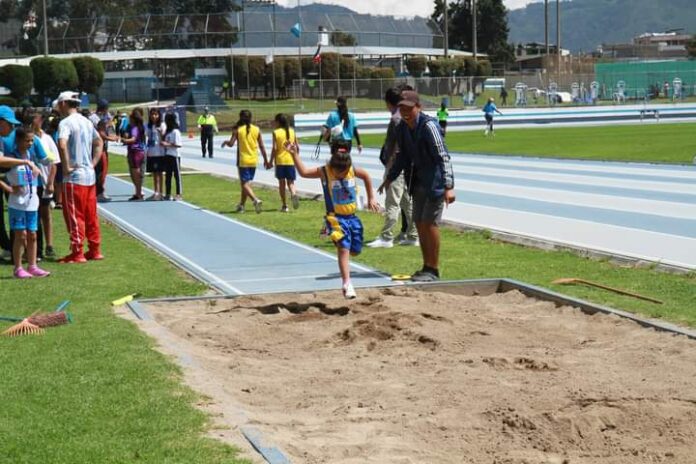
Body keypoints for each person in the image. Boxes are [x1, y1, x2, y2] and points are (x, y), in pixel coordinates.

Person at [287, 139, 379, 299]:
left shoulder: (351, 169)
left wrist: (371, 197)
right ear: (332, 167)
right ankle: (347, 283)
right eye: (338, 175)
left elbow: (366, 177)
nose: (341, 177)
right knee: (343, 248)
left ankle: (346, 273)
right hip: (336, 218)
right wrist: (295, 155)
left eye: (344, 175)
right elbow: (303, 172)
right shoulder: (325, 171)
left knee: (355, 251)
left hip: (353, 218)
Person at [380, 90, 455, 282]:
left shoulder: (429, 126)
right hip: (417, 182)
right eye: (402, 108)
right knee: (420, 224)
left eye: (409, 108)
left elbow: (443, 156)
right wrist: (390, 177)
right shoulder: (403, 128)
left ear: (418, 107)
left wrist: (449, 186)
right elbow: (403, 156)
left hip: (435, 184)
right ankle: (426, 266)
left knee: (430, 224)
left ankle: (434, 269)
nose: (405, 112)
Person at [55, 90, 104, 263]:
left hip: (74, 178)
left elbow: (62, 144)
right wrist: (92, 163)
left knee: (75, 215)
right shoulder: (87, 121)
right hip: (89, 176)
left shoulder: (65, 123)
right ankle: (95, 249)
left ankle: (77, 252)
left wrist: (66, 166)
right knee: (91, 214)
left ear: (63, 104)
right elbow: (99, 142)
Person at [368, 87, 418, 249]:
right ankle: (413, 235)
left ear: (388, 103)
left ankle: (386, 237)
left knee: (392, 202)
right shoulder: (404, 116)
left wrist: (389, 164)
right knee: (406, 202)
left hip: (395, 165)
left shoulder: (396, 119)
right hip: (405, 165)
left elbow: (395, 145)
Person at [2, 126, 51, 278]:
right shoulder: (11, 157)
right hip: (17, 202)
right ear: (18, 140)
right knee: (20, 235)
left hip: (31, 201)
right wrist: (8, 188)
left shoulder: (31, 156)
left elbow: (29, 178)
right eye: (27, 140)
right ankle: (18, 268)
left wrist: (35, 172)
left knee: (33, 234)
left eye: (32, 140)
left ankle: (33, 266)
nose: (30, 143)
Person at [221, 110, 269, 214]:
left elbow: (231, 143)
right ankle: (241, 206)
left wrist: (225, 142)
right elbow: (261, 146)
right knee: (246, 184)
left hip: (243, 160)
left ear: (240, 118)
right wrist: (265, 160)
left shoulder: (238, 130)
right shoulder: (256, 129)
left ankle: (255, 200)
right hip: (253, 160)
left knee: (244, 184)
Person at [28, 109, 59, 259]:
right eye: (36, 118)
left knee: (45, 214)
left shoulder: (47, 139)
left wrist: (51, 183)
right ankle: (35, 248)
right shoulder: (26, 138)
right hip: (31, 182)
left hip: (45, 181)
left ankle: (49, 245)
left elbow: (54, 162)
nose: (38, 121)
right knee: (33, 215)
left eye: (39, 118)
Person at [270, 113, 300, 212]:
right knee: (291, 182)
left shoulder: (276, 132)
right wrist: (296, 158)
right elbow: (297, 147)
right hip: (290, 160)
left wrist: (270, 161)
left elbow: (274, 148)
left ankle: (284, 205)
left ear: (278, 122)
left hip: (280, 161)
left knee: (281, 184)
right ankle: (294, 194)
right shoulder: (292, 131)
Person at [92, 99, 118, 203]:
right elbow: (101, 133)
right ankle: (99, 192)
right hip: (98, 147)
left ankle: (98, 191)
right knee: (101, 170)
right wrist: (110, 138)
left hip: (101, 146)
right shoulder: (96, 119)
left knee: (101, 170)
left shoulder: (102, 117)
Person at [121, 107, 146, 201]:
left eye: (130, 119)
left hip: (135, 151)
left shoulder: (135, 128)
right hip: (137, 151)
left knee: (136, 173)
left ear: (133, 119)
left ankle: (139, 193)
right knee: (136, 173)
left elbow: (133, 139)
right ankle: (138, 192)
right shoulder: (135, 127)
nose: (129, 121)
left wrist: (125, 140)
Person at [145, 108, 166, 201]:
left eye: (156, 114)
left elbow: (164, 137)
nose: (154, 116)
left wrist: (160, 132)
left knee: (160, 173)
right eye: (152, 114)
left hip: (160, 152)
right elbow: (145, 136)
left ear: (159, 115)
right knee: (154, 173)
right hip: (151, 152)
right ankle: (156, 192)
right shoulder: (148, 125)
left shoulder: (162, 125)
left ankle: (160, 193)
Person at [161, 112, 183, 201]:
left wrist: (167, 144)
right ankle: (168, 193)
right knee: (168, 175)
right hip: (168, 155)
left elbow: (178, 145)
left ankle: (179, 194)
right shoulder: (167, 132)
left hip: (175, 156)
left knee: (177, 176)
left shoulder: (175, 132)